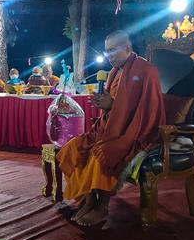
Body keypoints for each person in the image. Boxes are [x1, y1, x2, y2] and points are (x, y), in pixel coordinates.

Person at [58, 31, 165, 226]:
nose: (109, 55)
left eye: (113, 50)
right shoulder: (115, 72)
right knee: (73, 147)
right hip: (109, 129)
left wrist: (112, 104)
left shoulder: (146, 71)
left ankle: (102, 207)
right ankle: (89, 200)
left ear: (127, 48)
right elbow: (113, 106)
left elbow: (148, 111)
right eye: (106, 51)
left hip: (133, 132)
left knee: (102, 154)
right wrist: (104, 104)